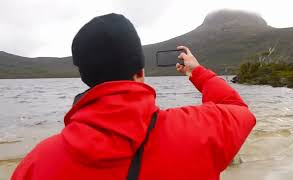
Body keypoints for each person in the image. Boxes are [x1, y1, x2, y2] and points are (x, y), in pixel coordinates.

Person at [12, 13, 256, 180]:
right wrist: (197, 72)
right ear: (140, 71)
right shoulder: (200, 129)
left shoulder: (35, 164)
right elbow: (238, 109)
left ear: (85, 77)